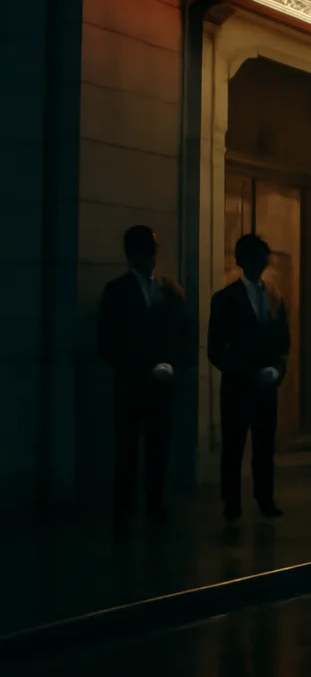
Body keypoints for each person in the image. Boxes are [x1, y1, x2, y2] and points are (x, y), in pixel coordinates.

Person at [98, 225, 186, 525]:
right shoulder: (116, 291)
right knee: (126, 448)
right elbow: (107, 343)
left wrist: (171, 365)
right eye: (144, 250)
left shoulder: (171, 290)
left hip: (161, 384)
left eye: (152, 250)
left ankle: (155, 503)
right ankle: (124, 507)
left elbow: (183, 335)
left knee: (158, 447)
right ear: (131, 254)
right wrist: (144, 367)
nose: (150, 257)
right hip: (132, 384)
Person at [208, 233, 290, 521]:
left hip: (265, 387)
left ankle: (264, 497)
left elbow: (283, 341)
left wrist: (276, 371)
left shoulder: (274, 295)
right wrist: (248, 372)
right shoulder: (225, 299)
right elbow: (215, 349)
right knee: (233, 446)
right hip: (238, 387)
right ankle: (231, 502)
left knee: (265, 446)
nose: (261, 263)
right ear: (243, 262)